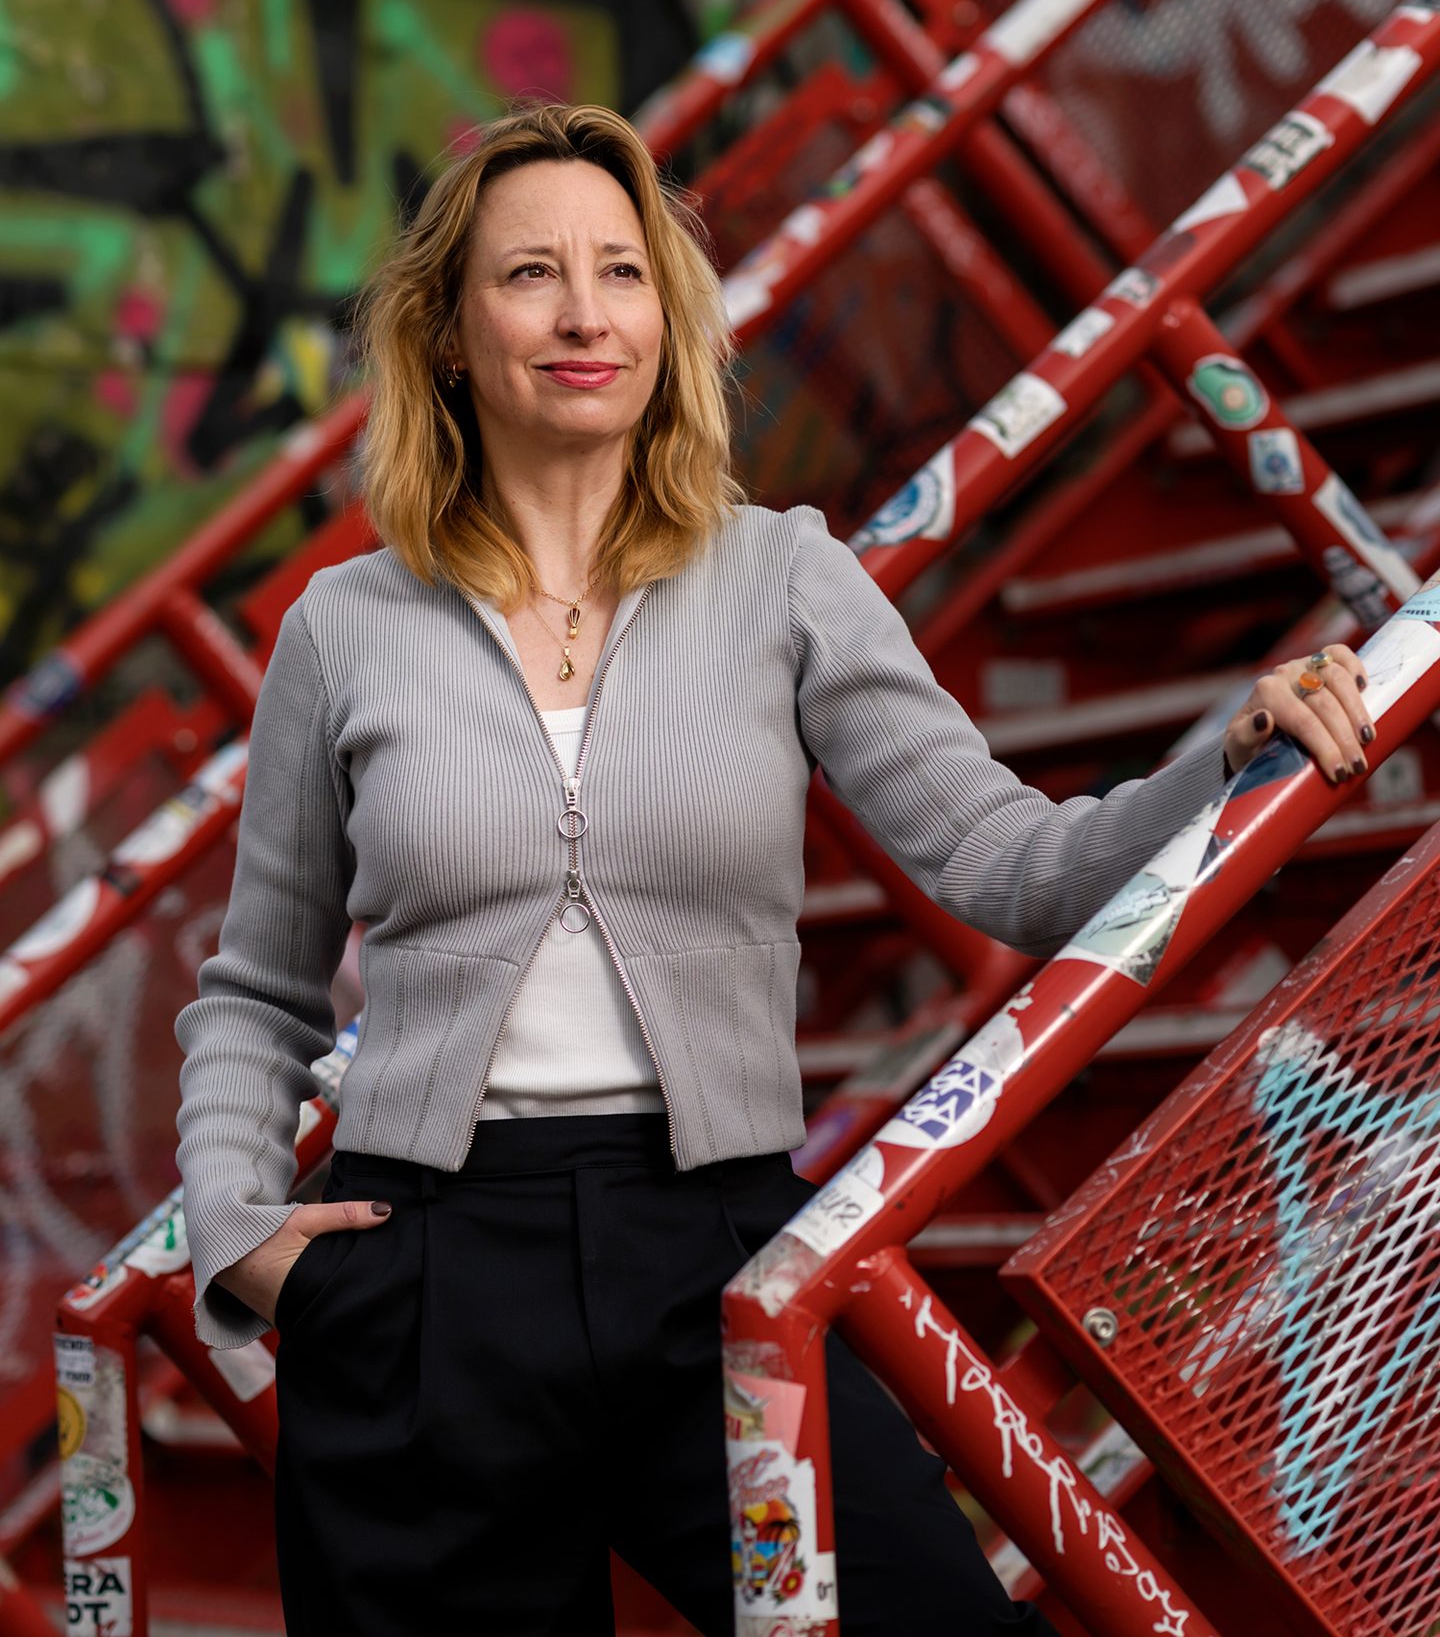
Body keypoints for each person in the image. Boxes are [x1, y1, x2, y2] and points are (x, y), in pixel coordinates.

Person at [173, 101, 1373, 1637]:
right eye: (530, 274)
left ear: (670, 323)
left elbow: (1008, 862)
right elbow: (256, 993)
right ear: (451, 334)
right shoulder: (346, 625)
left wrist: (1228, 759)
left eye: (622, 271)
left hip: (715, 1251)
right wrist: (244, 1244)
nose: (585, 311)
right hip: (423, 1282)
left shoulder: (786, 577)